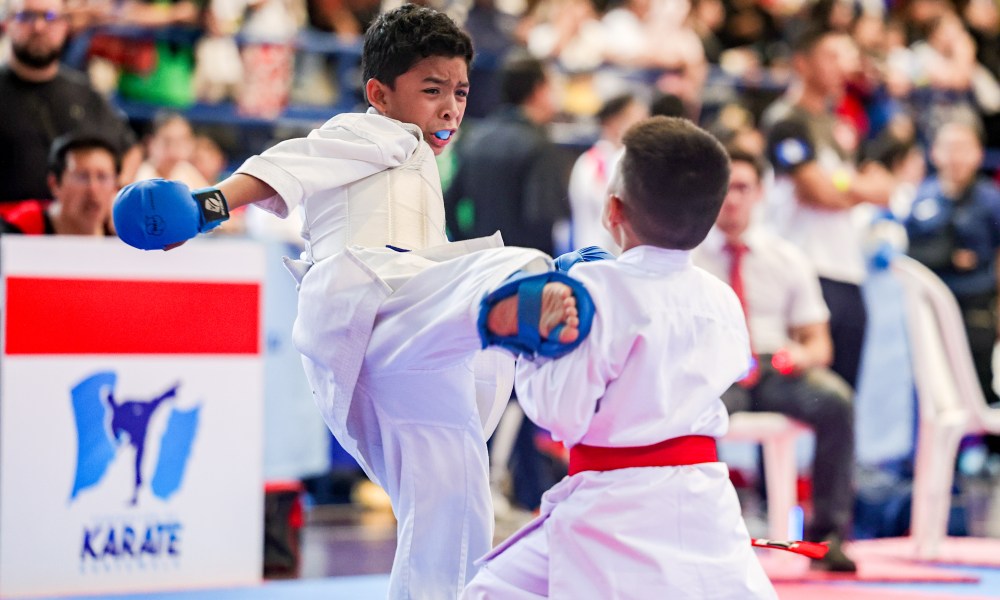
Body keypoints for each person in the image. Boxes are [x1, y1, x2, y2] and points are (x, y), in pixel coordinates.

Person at [111, 6, 593, 599]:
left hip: (401, 351)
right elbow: (287, 164)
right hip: (364, 303)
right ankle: (516, 295)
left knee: (454, 503)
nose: (451, 108)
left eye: (461, 92)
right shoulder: (374, 132)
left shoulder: (422, 162)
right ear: (379, 94)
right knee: (514, 265)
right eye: (433, 90)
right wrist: (205, 207)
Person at [462, 116, 777, 599]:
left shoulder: (594, 291)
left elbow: (559, 414)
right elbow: (737, 367)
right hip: (704, 501)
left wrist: (534, 350)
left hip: (613, 502)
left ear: (613, 210)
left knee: (489, 591)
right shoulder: (721, 298)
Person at [692, 146, 858, 572]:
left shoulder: (786, 257)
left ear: (759, 192)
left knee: (836, 401)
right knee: (688, 410)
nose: (732, 199)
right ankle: (704, 533)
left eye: (742, 187)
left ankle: (827, 537)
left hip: (775, 366)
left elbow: (820, 345)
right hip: (716, 371)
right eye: (725, 188)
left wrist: (798, 355)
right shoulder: (688, 257)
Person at [761, 25, 895, 390]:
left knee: (846, 393)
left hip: (847, 268)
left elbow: (884, 187)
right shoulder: (786, 120)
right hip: (805, 266)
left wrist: (843, 184)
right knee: (802, 392)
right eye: (832, 56)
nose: (844, 66)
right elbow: (819, 193)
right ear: (802, 63)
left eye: (846, 56)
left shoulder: (838, 125)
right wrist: (851, 186)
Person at [905, 118, 1000, 459]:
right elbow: (906, 252)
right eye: (950, 148)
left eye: (964, 148)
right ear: (935, 152)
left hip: (976, 310)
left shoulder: (990, 200)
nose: (956, 157)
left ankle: (987, 456)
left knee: (978, 381)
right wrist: (947, 256)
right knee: (929, 387)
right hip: (927, 314)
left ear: (978, 153)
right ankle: (929, 457)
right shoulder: (921, 197)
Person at [0, 0, 138, 205]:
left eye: (50, 17)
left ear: (65, 26)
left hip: (73, 223)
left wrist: (115, 196)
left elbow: (130, 148)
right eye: (26, 16)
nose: (39, 27)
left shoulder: (85, 93)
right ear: (7, 24)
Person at [444, 52, 568, 256]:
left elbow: (448, 203)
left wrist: (469, 245)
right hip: (523, 265)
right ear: (538, 90)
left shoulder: (475, 139)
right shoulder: (539, 145)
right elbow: (541, 219)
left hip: (483, 262)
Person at [568, 93, 648, 254]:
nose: (646, 128)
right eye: (638, 120)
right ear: (613, 123)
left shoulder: (634, 161)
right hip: (596, 251)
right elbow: (589, 217)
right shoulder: (590, 163)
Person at [0, 133, 120, 235]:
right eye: (82, 177)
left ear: (115, 186)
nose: (93, 188)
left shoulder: (122, 232)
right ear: (54, 184)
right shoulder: (20, 228)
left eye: (102, 177)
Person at [133, 112, 211, 189]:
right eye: (167, 142)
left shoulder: (186, 170)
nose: (174, 151)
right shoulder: (141, 177)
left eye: (180, 143)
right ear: (150, 143)